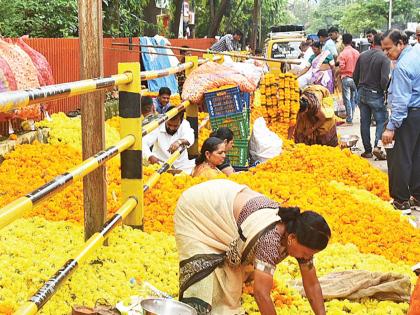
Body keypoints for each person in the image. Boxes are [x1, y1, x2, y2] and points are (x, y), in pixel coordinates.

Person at [175, 179, 331, 315]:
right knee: (202, 280)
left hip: (225, 203)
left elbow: (312, 283)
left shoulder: (295, 231)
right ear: (291, 238)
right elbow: (261, 294)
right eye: (306, 254)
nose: (307, 258)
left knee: (229, 284)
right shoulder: (270, 240)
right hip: (200, 208)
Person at [381, 29, 420, 214]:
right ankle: (418, 196)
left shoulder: (403, 66)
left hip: (408, 115)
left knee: (399, 158)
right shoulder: (417, 53)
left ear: (400, 44)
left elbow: (401, 101)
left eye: (389, 48)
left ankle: (401, 201)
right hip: (417, 114)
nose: (387, 53)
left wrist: (391, 127)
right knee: (416, 155)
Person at [353, 33, 390, 160]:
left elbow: (355, 76)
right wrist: (385, 92)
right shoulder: (384, 58)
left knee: (365, 122)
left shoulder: (362, 55)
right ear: (384, 43)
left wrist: (359, 88)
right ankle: (377, 147)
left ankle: (367, 150)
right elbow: (384, 80)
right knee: (382, 120)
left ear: (373, 43)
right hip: (375, 93)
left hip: (361, 92)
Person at [143, 106, 195, 174]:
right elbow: (144, 142)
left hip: (182, 166)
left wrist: (179, 142)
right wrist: (150, 156)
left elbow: (190, 137)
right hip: (160, 165)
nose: (171, 128)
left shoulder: (185, 124)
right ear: (166, 120)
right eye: (169, 124)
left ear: (181, 121)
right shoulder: (158, 125)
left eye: (175, 126)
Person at [338, 33, 360, 125]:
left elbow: (341, 66)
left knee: (347, 98)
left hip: (346, 78)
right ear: (351, 41)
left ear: (343, 42)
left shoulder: (343, 53)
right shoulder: (357, 52)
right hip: (355, 79)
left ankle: (349, 119)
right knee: (353, 98)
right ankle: (352, 116)